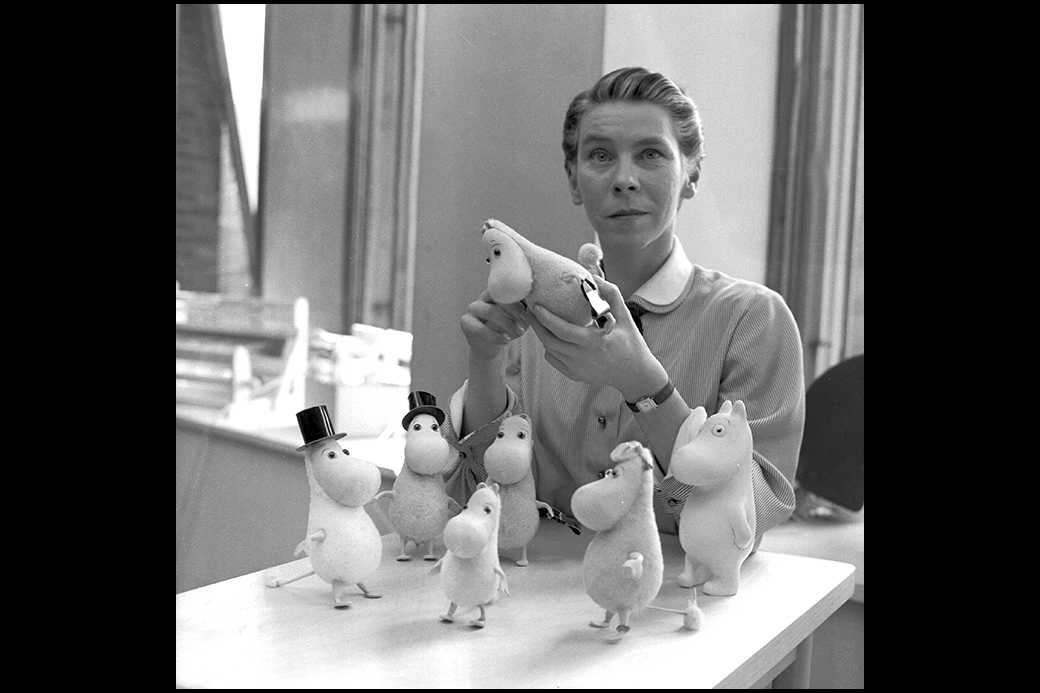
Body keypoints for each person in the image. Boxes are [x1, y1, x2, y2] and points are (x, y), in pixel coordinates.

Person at [440, 66, 805, 543]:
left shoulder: (753, 319)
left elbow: (751, 515)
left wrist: (643, 385)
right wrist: (485, 360)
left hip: (684, 588)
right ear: (573, 179)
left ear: (691, 173)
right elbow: (475, 496)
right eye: (600, 155)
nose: (625, 179)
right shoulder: (532, 318)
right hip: (537, 585)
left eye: (651, 154)